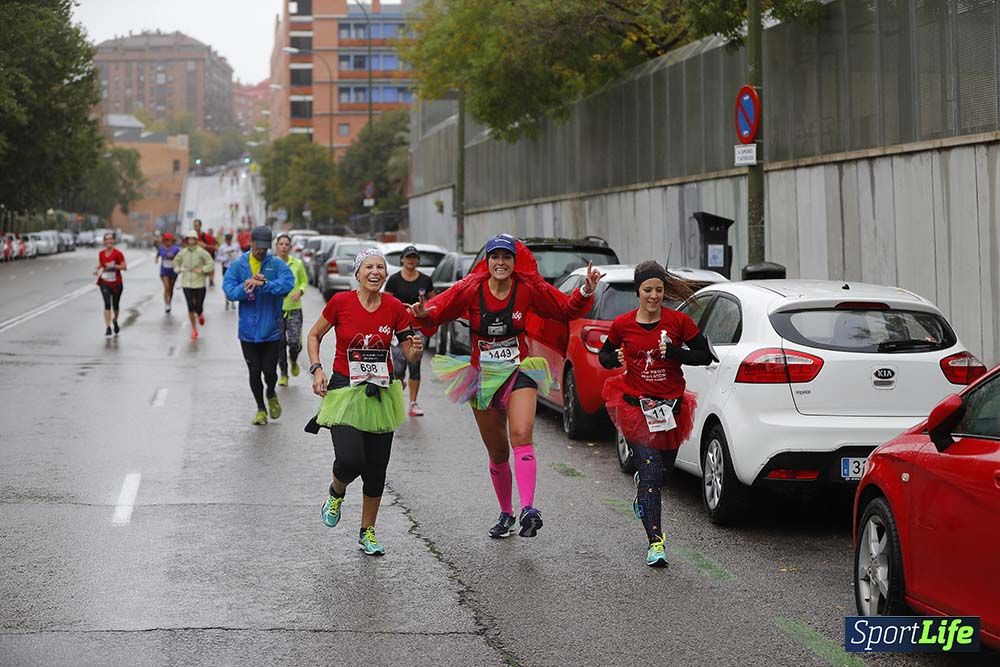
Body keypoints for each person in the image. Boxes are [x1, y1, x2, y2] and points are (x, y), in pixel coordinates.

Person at [408, 235, 602, 539]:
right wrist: (423, 313)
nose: (500, 262)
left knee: (522, 435)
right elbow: (438, 310)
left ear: (514, 261)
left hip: (519, 370)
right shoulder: (470, 288)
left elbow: (563, 308)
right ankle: (506, 513)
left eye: (506, 257)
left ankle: (528, 509)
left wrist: (586, 290)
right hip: (482, 376)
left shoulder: (528, 288)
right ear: (487, 261)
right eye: (495, 257)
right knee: (498, 452)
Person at [305, 247, 423, 556]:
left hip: (381, 391)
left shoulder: (394, 307)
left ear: (385, 274)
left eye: (380, 267)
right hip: (345, 389)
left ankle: (367, 532)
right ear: (357, 274)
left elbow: (409, 353)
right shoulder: (340, 302)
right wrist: (317, 369)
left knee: (376, 468)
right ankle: (336, 491)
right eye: (368, 267)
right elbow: (314, 335)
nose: (375, 272)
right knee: (350, 460)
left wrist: (415, 350)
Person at [598, 261, 714, 567]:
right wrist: (614, 359)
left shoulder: (679, 322)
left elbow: (704, 355)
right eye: (648, 290)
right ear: (638, 291)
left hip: (671, 409)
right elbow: (604, 354)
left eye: (659, 290)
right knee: (651, 474)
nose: (654, 296)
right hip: (636, 408)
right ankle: (656, 543)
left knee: (661, 476)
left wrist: (676, 353)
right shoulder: (622, 324)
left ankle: (644, 493)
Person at [223, 226, 294, 425]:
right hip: (247, 331)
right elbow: (229, 291)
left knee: (270, 372)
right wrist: (246, 286)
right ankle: (261, 409)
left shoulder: (276, 264)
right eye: (258, 246)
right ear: (251, 243)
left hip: (271, 330)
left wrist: (266, 284)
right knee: (254, 371)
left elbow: (288, 284)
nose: (261, 250)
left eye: (264, 247)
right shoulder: (238, 265)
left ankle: (271, 392)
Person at [384, 246, 436, 416]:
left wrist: (425, 310)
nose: (411, 260)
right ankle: (398, 398)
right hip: (398, 328)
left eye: (414, 257)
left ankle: (413, 403)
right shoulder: (394, 280)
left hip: (418, 328)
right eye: (408, 257)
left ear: (418, 260)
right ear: (402, 260)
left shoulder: (425, 280)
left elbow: (434, 302)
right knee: (398, 368)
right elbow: (386, 303)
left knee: (415, 365)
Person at [274, 232, 308, 386]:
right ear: (276, 246)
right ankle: (284, 374)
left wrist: (300, 291)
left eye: (286, 244)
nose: (283, 247)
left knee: (294, 342)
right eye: (281, 244)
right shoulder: (271, 264)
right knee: (280, 343)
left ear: (290, 247)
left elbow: (304, 281)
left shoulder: (297, 264)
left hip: (294, 309)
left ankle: (293, 359)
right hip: (276, 310)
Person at [174, 230, 215, 340]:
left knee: (198, 307)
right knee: (190, 307)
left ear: (196, 240)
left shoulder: (201, 252)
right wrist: (177, 268)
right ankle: (194, 329)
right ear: (187, 240)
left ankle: (200, 314)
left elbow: (211, 263)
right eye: (189, 239)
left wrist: (203, 269)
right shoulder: (183, 252)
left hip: (199, 283)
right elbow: (176, 262)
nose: (191, 241)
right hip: (186, 283)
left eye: (193, 239)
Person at [94, 232, 127, 336]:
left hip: (116, 283)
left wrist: (114, 266)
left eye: (110, 239)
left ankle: (115, 320)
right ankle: (108, 327)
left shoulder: (118, 253)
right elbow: (101, 263)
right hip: (105, 282)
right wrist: (97, 269)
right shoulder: (101, 254)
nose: (109, 241)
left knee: (115, 305)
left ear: (113, 241)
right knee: (107, 303)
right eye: (107, 239)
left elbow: (124, 267)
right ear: (104, 242)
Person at [216, 232, 242, 310]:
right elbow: (218, 258)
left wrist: (234, 256)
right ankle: (226, 300)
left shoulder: (236, 246)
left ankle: (233, 301)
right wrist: (225, 257)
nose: (228, 242)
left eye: (229, 240)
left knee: (234, 283)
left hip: (234, 267)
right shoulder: (222, 247)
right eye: (227, 240)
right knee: (227, 284)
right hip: (226, 267)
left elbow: (240, 255)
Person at [156, 232, 180, 313]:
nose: (167, 241)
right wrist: (156, 258)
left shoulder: (176, 249)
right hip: (164, 271)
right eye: (165, 240)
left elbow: (179, 257)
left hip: (173, 271)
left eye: (168, 240)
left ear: (172, 240)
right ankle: (166, 304)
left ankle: (169, 302)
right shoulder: (161, 248)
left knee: (171, 289)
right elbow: (159, 253)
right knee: (167, 287)